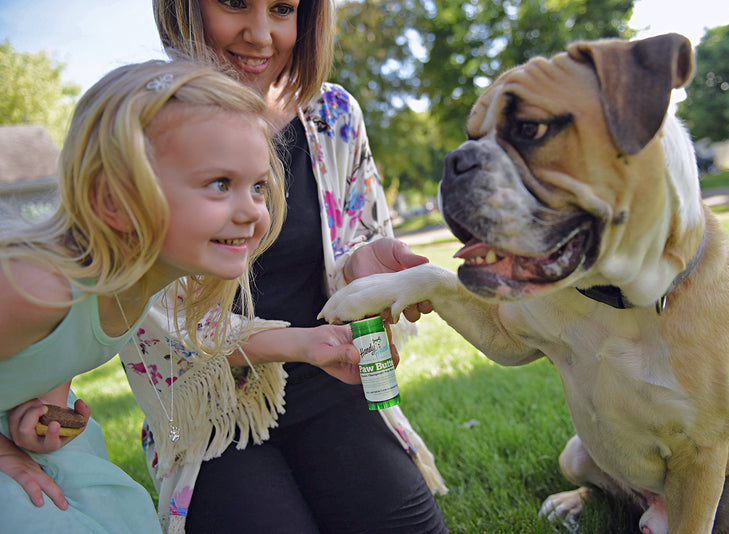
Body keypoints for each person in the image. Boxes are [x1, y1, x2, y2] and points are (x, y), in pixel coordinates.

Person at [117, 0, 450, 532]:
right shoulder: (143, 122)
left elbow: (355, 238)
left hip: (332, 383)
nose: (261, 34)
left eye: (282, 8)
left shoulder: (334, 114)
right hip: (215, 416)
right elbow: (142, 306)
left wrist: (363, 267)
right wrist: (294, 343)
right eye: (234, 3)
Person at [0, 59, 292, 533]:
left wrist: (37, 409)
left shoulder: (143, 282)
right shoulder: (38, 286)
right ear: (115, 201)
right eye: (221, 184)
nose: (253, 211)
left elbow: (49, 358)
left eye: (257, 186)